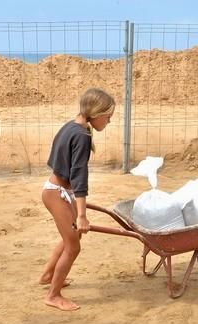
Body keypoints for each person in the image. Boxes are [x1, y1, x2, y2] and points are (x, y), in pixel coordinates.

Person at [38, 88, 116, 311]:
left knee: (72, 236)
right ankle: (53, 295)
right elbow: (79, 178)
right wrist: (81, 215)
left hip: (57, 189)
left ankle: (47, 275)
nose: (108, 121)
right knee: (73, 247)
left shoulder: (71, 126)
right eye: (107, 116)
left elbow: (58, 163)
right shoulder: (82, 136)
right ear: (96, 112)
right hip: (57, 193)